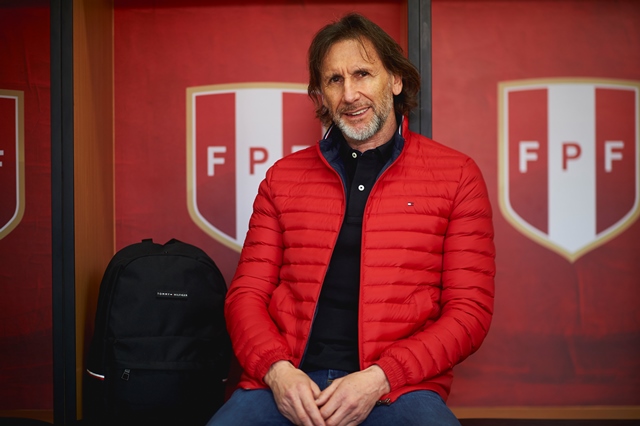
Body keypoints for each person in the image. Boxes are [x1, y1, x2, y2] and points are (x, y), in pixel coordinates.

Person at [208, 12, 495, 426]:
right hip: (287, 385)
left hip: (397, 390)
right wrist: (277, 371)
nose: (349, 94)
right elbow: (246, 296)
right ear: (321, 96)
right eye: (334, 80)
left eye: (362, 74)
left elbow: (469, 312)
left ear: (395, 80)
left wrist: (381, 378)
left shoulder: (457, 176)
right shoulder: (282, 178)